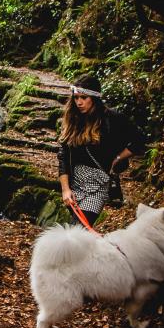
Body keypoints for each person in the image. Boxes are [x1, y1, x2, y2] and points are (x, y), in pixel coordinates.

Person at [57, 75, 145, 227]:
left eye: (84, 97)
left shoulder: (113, 119)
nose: (79, 102)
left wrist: (118, 158)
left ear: (95, 98)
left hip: (98, 184)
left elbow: (139, 140)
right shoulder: (73, 120)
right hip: (74, 184)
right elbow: (63, 156)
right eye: (76, 97)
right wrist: (65, 189)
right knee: (78, 231)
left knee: (76, 230)